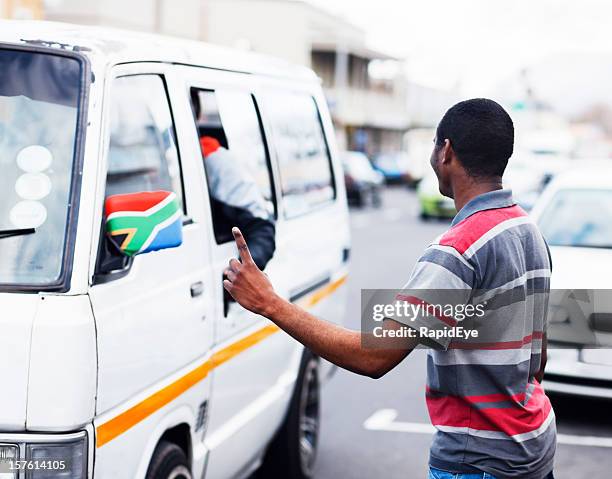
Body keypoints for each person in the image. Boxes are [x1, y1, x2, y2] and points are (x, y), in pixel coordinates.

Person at [222, 99, 555, 479]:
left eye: (433, 145)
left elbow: (373, 358)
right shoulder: (527, 229)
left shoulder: (458, 250)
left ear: (445, 151)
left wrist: (269, 303)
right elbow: (538, 353)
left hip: (479, 463)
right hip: (534, 446)